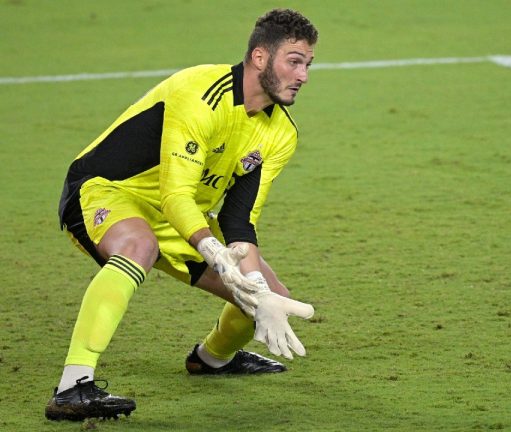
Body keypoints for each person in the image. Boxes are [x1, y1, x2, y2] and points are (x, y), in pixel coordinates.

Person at [45, 8, 319, 422]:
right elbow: (175, 195)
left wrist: (258, 288)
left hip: (181, 214)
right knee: (140, 245)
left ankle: (212, 359)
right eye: (294, 62)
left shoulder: (280, 132)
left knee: (265, 294)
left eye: (308, 65)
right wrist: (211, 251)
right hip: (108, 190)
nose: (303, 75)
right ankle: (72, 385)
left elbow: (240, 219)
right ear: (261, 58)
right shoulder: (200, 91)